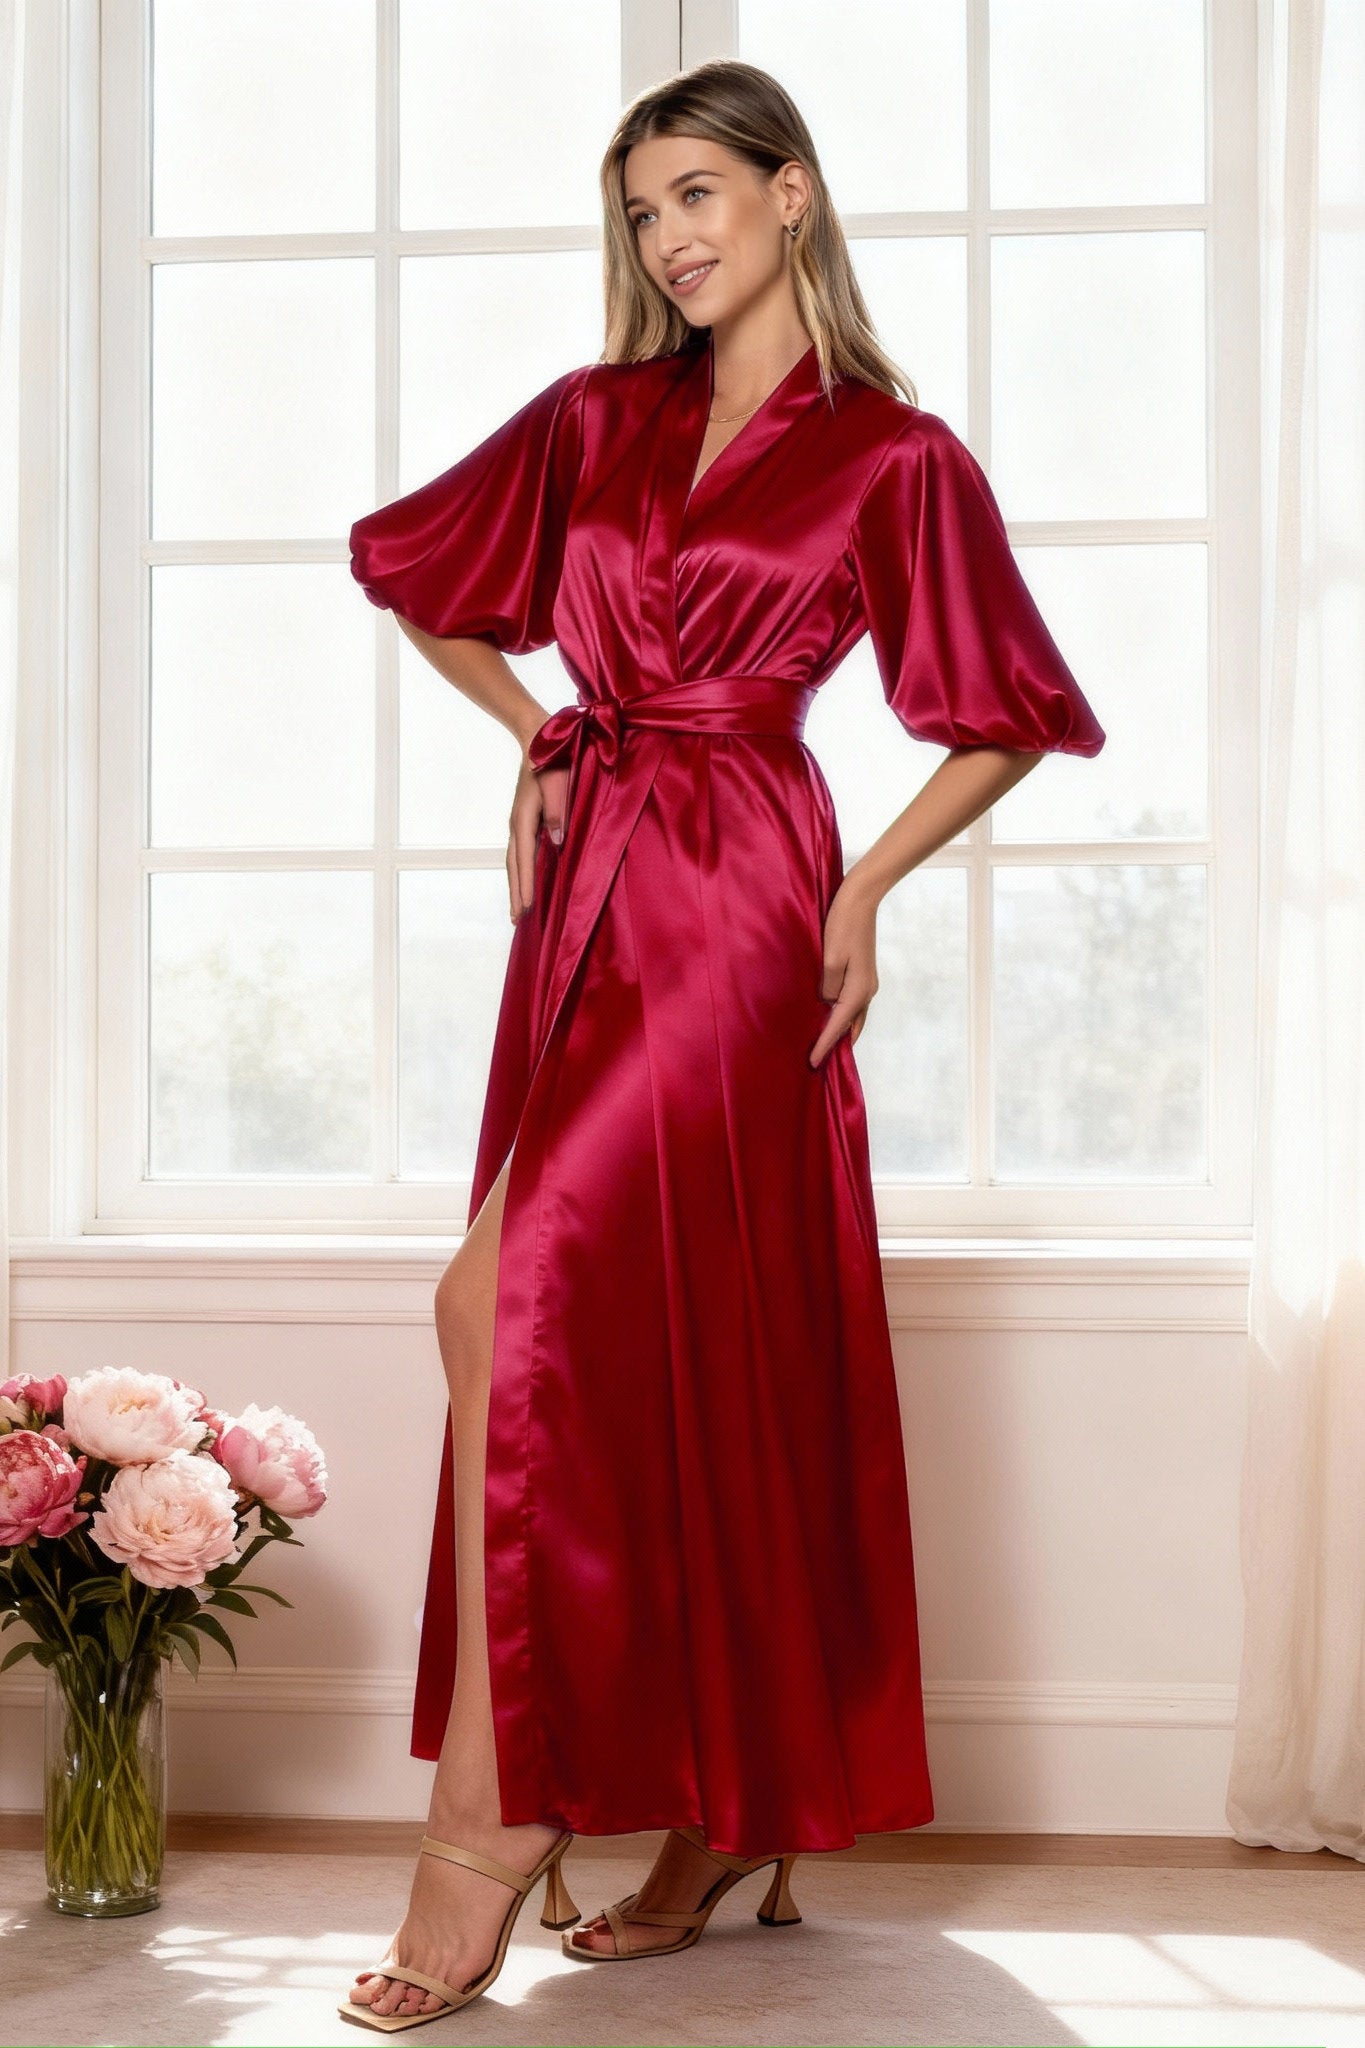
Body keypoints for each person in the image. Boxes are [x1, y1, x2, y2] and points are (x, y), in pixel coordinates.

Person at [338, 56, 1105, 2033]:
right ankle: (705, 1808)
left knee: (539, 1305)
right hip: (592, 884)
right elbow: (419, 572)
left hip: (745, 897)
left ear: (789, 193)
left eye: (695, 193)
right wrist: (539, 731)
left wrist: (866, 891)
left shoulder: (892, 455)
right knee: (606, 1335)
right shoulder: (593, 417)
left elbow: (1007, 711)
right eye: (638, 211)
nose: (667, 238)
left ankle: (492, 1817)